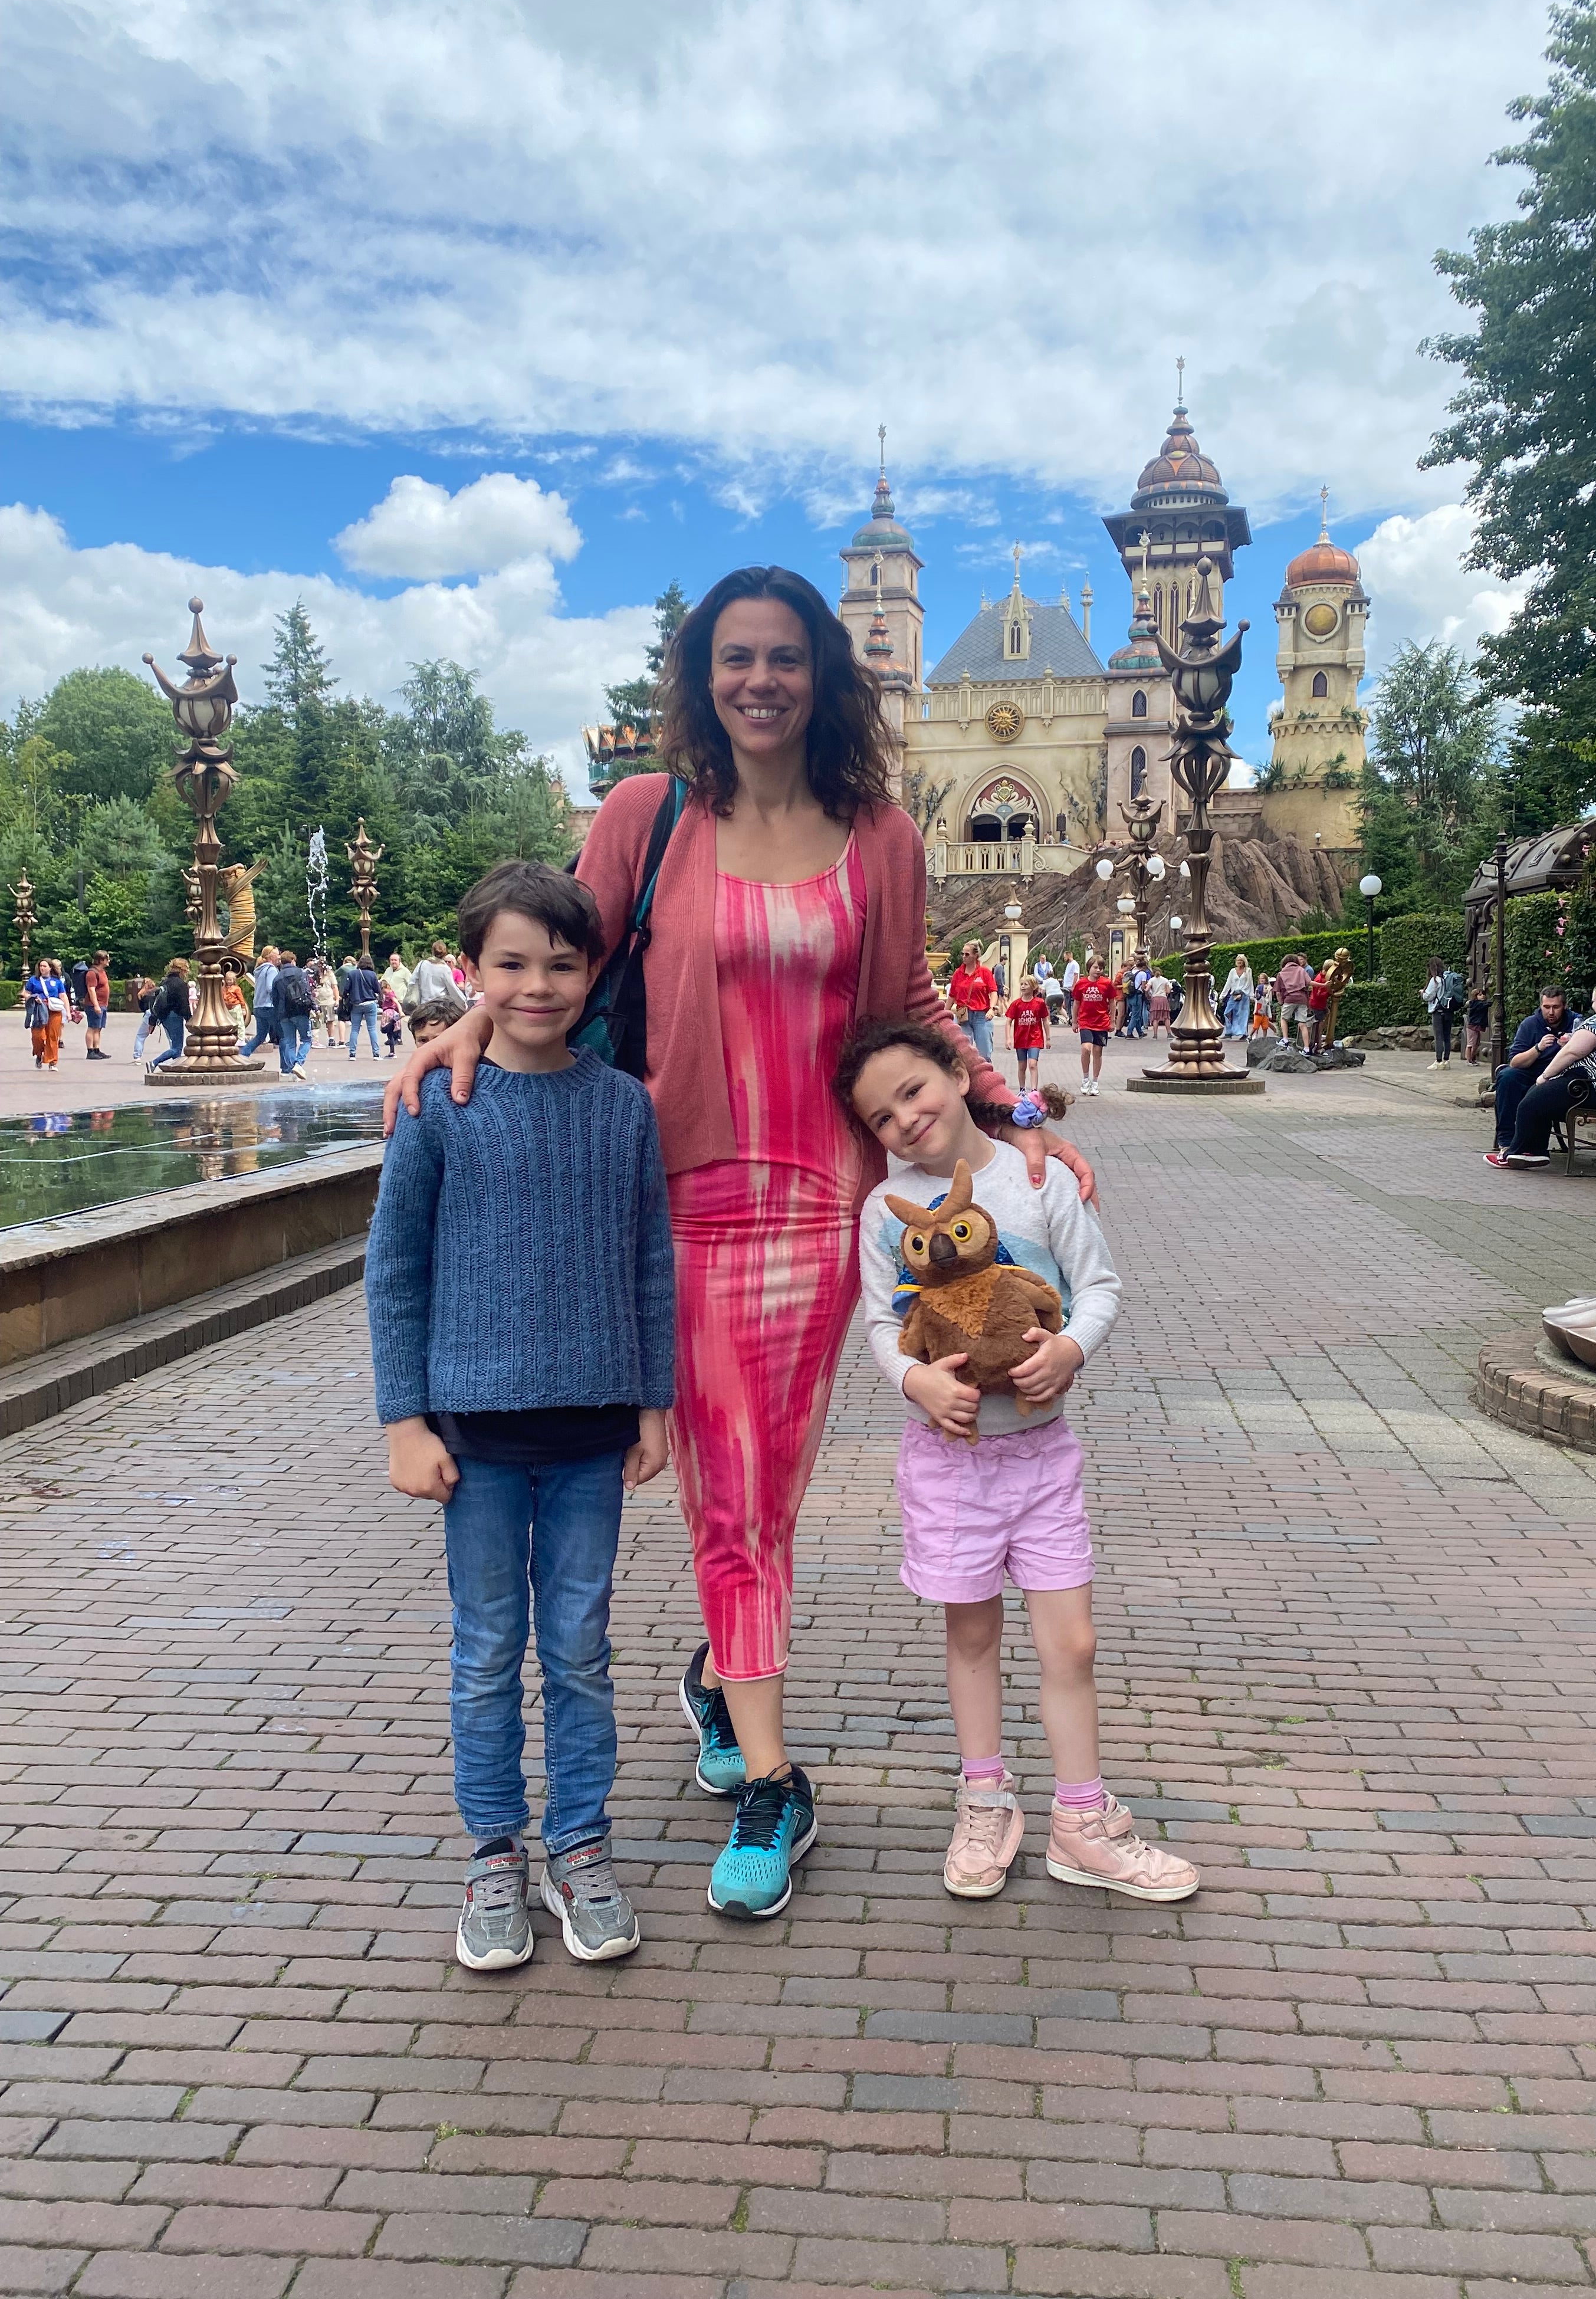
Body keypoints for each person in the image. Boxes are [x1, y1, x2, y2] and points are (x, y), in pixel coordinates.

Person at [389, 563, 1094, 1923]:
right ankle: (777, 1781)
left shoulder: (879, 831)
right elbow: (561, 967)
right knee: (732, 1502)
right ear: (702, 679)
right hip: (681, 1198)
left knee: (761, 1492)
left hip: (824, 1209)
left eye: (784, 658)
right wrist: (472, 1022)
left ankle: (722, 1678)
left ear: (821, 673)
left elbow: (902, 1004)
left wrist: (1011, 1112)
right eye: (735, 659)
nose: (760, 681)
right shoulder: (649, 816)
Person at [366, 861, 674, 1972]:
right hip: (476, 1439)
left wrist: (653, 1400)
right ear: (472, 970)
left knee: (581, 1648)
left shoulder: (621, 1106)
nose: (537, 984)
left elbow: (648, 1259)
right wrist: (405, 1420)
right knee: (489, 1647)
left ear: (592, 970)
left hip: (592, 1434)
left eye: (560, 961)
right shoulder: (438, 1108)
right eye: (511, 962)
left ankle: (579, 1844)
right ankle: (494, 1850)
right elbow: (394, 1271)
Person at [842, 1020, 1199, 1904]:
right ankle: (985, 1797)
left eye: (915, 1092)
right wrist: (916, 1380)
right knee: (971, 1634)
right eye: (882, 1118)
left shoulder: (1036, 1182)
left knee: (1070, 1643)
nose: (906, 1121)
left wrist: (1072, 1349)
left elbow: (1101, 1285)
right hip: (948, 1461)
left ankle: (1082, 1822)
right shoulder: (887, 1215)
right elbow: (885, 1326)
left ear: (960, 1077)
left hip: (1043, 1457)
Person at [1498, 980, 1596, 1170]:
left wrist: (1545, 1076)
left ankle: (1520, 1151)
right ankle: (1532, 1151)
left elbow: (1573, 1052)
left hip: (1595, 1088)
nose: (1593, 1006)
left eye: (1594, 1001)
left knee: (1532, 1101)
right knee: (1537, 1093)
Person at [1483, 987, 1579, 1165]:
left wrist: (1569, 1044)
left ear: (1565, 1007)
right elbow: (1515, 1062)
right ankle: (1507, 1143)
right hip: (1532, 1070)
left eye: (1556, 1007)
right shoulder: (1530, 1024)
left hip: (1561, 1075)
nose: (1551, 1012)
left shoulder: (1576, 1022)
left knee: (1541, 1089)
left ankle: (1535, 1148)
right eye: (1546, 1007)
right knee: (1507, 1077)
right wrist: (1538, 1048)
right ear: (1541, 1006)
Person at [1072, 953, 1119, 1093]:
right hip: (1086, 1021)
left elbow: (1112, 1002)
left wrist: (1112, 1021)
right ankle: (1085, 1079)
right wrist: (1075, 1021)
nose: (1098, 970)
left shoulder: (1107, 983)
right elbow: (1076, 1003)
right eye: (1095, 967)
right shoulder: (1081, 983)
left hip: (1101, 1022)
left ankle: (1095, 1082)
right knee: (1086, 1048)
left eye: (1101, 968)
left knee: (1097, 1052)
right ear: (1089, 968)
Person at [948, 941, 999, 1060]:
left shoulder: (984, 972)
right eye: (962, 954)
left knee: (984, 1054)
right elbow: (952, 996)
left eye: (967, 954)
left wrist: (991, 1009)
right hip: (963, 1016)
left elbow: (993, 992)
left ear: (976, 955)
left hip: (982, 1016)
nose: (964, 957)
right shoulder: (958, 973)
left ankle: (986, 1078)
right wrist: (944, 1014)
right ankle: (967, 1078)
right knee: (962, 1053)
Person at [274, 951, 316, 1082]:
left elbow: (274, 998)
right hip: (300, 1011)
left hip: (284, 1014)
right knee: (306, 1039)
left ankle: (293, 1066)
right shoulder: (300, 973)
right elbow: (307, 991)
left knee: (289, 1042)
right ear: (293, 961)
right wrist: (312, 1006)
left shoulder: (277, 977)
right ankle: (299, 1064)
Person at [240, 944, 284, 1060]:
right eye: (277, 954)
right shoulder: (272, 970)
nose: (279, 956)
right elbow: (271, 988)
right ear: (271, 957)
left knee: (260, 1036)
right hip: (269, 1007)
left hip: (258, 1007)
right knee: (284, 1036)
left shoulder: (259, 970)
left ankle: (243, 1056)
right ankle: (287, 1066)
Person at [1009, 970, 1050, 1092]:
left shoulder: (1039, 1003)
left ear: (1033, 987)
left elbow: (1045, 1021)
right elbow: (1008, 1022)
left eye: (1026, 984)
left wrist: (1048, 1038)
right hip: (1020, 1039)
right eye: (1022, 984)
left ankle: (1034, 1091)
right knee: (1022, 1066)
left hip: (1035, 1039)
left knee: (1032, 1064)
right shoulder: (1016, 1004)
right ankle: (1022, 1090)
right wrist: (1008, 1039)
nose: (1023, 986)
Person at [147, 958, 192, 1070]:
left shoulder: (165, 982)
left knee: (175, 1045)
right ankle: (154, 1063)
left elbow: (159, 1001)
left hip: (164, 1017)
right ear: (182, 970)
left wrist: (153, 1020)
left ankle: (176, 1068)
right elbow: (184, 1004)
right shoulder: (181, 984)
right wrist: (189, 1019)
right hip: (175, 1016)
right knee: (177, 1048)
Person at [24, 958, 65, 1070]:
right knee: (38, 1036)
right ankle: (39, 1054)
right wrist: (33, 998)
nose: (42, 968)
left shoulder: (57, 981)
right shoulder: (34, 980)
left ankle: (53, 1062)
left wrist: (68, 1012)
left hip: (54, 1011)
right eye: (41, 966)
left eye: (45, 966)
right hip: (39, 1010)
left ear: (50, 968)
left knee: (53, 1036)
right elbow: (26, 994)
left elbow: (63, 996)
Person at [409, 941, 468, 1017]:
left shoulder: (422, 964)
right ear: (445, 953)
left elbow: (412, 983)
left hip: (423, 1006)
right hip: (440, 1007)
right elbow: (453, 989)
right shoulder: (445, 969)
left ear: (432, 951)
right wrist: (463, 1003)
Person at [1424, 960, 1465, 1068]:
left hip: (1438, 1011)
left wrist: (1422, 993)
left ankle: (1438, 1062)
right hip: (1449, 1010)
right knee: (1447, 1036)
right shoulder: (1446, 978)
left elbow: (1428, 996)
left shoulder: (1436, 980)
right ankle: (1447, 1061)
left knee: (1439, 1037)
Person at [341, 954, 383, 1059]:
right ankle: (376, 1054)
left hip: (356, 1004)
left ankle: (352, 1054)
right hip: (370, 1003)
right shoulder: (373, 975)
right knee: (372, 1029)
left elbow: (346, 990)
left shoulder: (352, 974)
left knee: (355, 1029)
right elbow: (377, 990)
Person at [1218, 954, 1254, 1043]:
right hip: (1233, 995)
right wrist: (1222, 995)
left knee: (1243, 1015)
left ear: (1244, 961)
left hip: (1244, 995)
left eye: (1241, 960)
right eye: (1238, 960)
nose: (1239, 962)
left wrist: (1247, 994)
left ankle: (1244, 1033)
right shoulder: (1233, 971)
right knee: (1227, 1012)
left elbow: (1249, 983)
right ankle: (1229, 1032)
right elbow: (1228, 983)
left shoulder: (1248, 971)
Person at [1276, 951, 1311, 1041]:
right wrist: (1323, 985)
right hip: (1302, 999)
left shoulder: (1281, 973)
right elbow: (1310, 982)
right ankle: (1307, 1048)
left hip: (1289, 999)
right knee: (1303, 1023)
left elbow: (1278, 993)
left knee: (1284, 1019)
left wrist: (1281, 1003)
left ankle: (1285, 1040)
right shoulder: (1301, 970)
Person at [83, 953, 111, 1059]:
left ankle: (97, 1049)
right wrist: (96, 1005)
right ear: (101, 960)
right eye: (107, 959)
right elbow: (91, 989)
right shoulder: (92, 973)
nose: (109, 961)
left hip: (103, 1004)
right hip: (94, 1004)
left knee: (98, 1028)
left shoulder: (102, 972)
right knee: (92, 1027)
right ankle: (90, 1051)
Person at [313, 958, 342, 1047]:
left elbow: (334, 987)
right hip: (317, 1001)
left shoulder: (330, 974)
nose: (320, 967)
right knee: (316, 1021)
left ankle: (331, 1038)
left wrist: (337, 999)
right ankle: (315, 1040)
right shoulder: (315, 974)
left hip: (329, 1000)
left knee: (330, 1020)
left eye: (321, 966)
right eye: (318, 966)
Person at [130, 974, 159, 1062]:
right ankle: (176, 1053)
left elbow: (142, 1008)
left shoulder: (142, 995)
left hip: (148, 1014)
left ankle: (137, 1056)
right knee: (170, 1035)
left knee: (141, 1036)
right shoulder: (158, 992)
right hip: (159, 1013)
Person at [1307, 963, 1331, 1053]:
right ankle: (1318, 1045)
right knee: (1319, 1026)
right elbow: (1318, 994)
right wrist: (1329, 992)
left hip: (1320, 1005)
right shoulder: (1320, 979)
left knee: (1323, 1021)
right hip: (1318, 1005)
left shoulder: (1322, 977)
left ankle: (1319, 1042)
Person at [379, 978, 405, 1057]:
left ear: (387, 987)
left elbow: (397, 1003)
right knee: (389, 1033)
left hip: (390, 1013)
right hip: (389, 1013)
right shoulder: (388, 994)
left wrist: (400, 1011)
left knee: (389, 1032)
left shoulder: (390, 994)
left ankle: (392, 1052)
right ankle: (392, 1051)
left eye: (384, 991)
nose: (384, 993)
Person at [1464, 987, 1490, 1063]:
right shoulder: (1476, 1004)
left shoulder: (1477, 1004)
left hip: (1475, 1026)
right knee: (1471, 1043)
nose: (1482, 996)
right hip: (1473, 1026)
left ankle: (1472, 1058)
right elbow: (1487, 1004)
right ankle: (1469, 1059)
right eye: (1480, 995)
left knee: (1476, 1043)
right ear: (1476, 996)